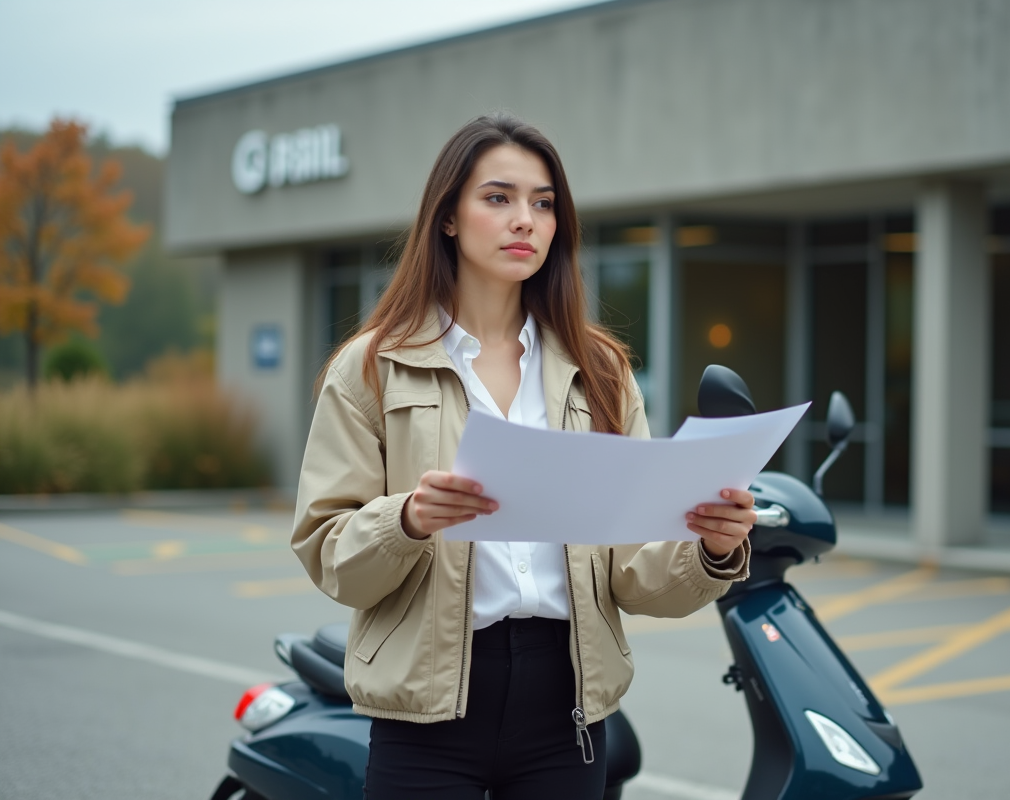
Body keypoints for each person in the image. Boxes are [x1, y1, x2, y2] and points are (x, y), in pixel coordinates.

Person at [291, 112, 755, 800]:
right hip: (425, 710)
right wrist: (409, 520)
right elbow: (328, 550)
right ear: (447, 217)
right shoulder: (373, 367)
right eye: (498, 198)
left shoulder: (600, 370)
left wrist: (709, 549)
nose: (525, 221)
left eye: (543, 204)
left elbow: (630, 567)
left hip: (565, 709)